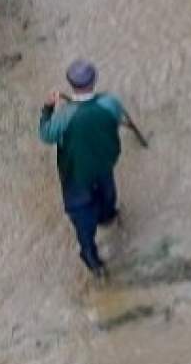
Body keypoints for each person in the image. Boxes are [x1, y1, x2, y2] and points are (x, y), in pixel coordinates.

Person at [38, 60, 126, 278]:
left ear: (70, 84)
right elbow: (116, 118)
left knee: (84, 223)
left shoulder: (64, 117)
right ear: (94, 80)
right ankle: (108, 218)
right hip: (105, 166)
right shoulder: (110, 103)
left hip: (77, 179)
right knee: (107, 200)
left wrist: (48, 109)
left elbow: (46, 134)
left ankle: (93, 261)